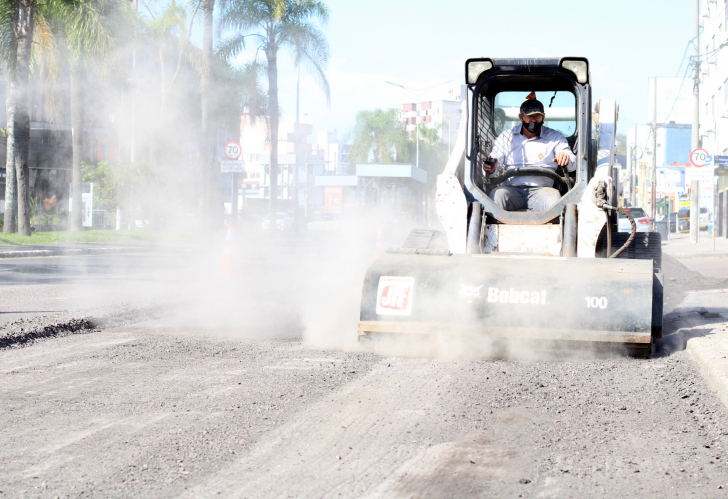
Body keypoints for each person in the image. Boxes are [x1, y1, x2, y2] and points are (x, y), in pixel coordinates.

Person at [483, 96, 575, 212]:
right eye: (529, 116)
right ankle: (492, 228)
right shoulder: (506, 137)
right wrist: (491, 168)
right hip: (511, 190)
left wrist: (565, 158)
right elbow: (493, 167)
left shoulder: (555, 137)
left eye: (537, 116)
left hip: (543, 191)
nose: (533, 120)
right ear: (521, 117)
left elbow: (572, 165)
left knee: (554, 198)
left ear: (543, 117)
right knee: (497, 195)